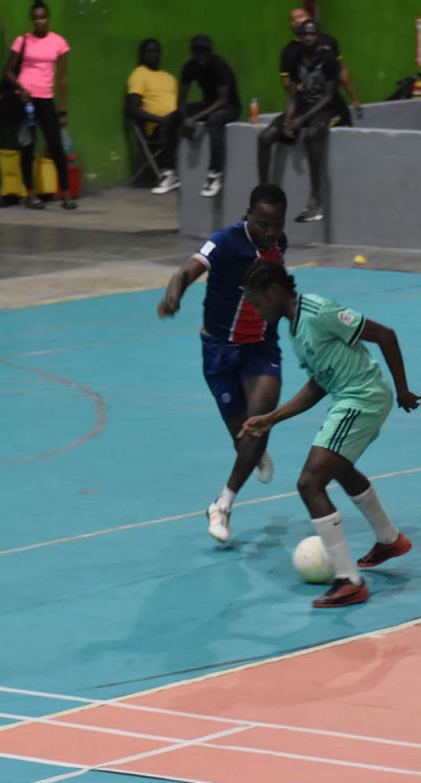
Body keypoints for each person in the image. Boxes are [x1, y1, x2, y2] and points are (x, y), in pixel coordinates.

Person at [239, 261, 421, 608]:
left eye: (258, 303)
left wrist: (404, 391)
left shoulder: (319, 311)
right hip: (347, 398)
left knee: (310, 483)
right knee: (338, 467)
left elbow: (386, 335)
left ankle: (348, 580)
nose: (257, 311)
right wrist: (272, 418)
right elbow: (318, 384)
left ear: (274, 292)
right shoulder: (295, 330)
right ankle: (389, 539)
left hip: (362, 398)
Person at [157, 184, 288, 544]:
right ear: (248, 216)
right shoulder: (226, 241)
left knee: (258, 427)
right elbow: (187, 271)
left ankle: (222, 504)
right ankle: (252, 452)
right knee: (244, 439)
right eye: (263, 224)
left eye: (276, 225)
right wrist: (173, 297)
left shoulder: (280, 245)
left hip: (261, 347)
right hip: (219, 351)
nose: (269, 232)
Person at [258, 19, 339, 224]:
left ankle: (315, 199)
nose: (308, 38)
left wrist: (301, 119)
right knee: (265, 137)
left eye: (312, 34)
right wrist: (288, 121)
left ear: (318, 36)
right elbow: (293, 96)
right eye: (304, 35)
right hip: (302, 106)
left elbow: (329, 96)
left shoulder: (328, 58)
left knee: (312, 135)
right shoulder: (295, 59)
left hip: (327, 107)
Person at [4, 0, 77, 209]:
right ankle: (31, 194)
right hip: (26, 99)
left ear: (48, 18)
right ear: (32, 20)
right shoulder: (23, 41)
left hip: (46, 98)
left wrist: (62, 109)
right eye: (36, 18)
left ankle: (65, 194)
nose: (39, 21)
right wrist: (21, 87)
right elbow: (8, 71)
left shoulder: (58, 42)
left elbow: (62, 78)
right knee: (28, 145)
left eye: (43, 17)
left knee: (55, 145)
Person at [178, 35, 242, 198]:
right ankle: (169, 171)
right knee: (170, 118)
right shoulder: (190, 67)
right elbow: (182, 98)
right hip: (208, 103)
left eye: (204, 52)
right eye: (197, 52)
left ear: (211, 52)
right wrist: (185, 118)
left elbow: (222, 101)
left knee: (213, 121)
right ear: (192, 53)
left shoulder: (219, 65)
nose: (201, 56)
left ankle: (215, 173)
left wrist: (195, 118)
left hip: (230, 107)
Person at [282, 7, 362, 123]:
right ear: (290, 25)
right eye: (294, 19)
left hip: (330, 105)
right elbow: (287, 83)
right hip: (305, 104)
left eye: (301, 16)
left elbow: (341, 71)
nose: (298, 21)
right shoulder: (288, 52)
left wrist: (354, 98)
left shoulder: (328, 42)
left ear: (309, 19)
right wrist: (300, 86)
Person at [125, 39, 181, 195]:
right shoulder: (139, 74)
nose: (153, 55)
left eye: (156, 51)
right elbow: (133, 109)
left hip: (176, 122)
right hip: (157, 126)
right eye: (149, 51)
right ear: (142, 55)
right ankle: (169, 173)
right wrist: (161, 120)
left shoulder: (169, 78)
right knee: (172, 128)